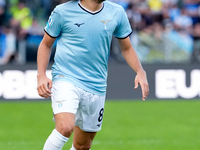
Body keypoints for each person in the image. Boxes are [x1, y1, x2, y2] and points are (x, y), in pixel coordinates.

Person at [37, 0, 149, 150]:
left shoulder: (117, 12)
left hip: (97, 85)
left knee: (82, 145)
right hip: (66, 78)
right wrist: (41, 75)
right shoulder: (62, 11)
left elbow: (127, 48)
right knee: (65, 127)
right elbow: (46, 44)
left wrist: (140, 71)